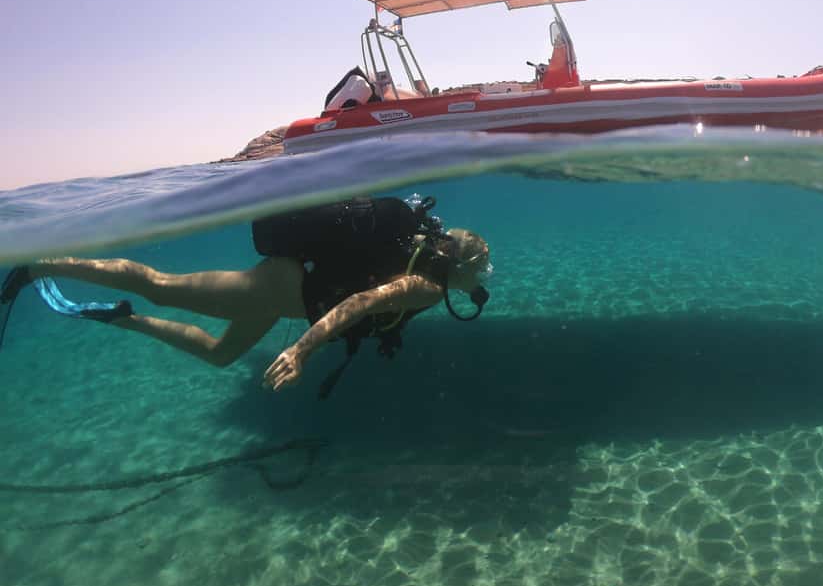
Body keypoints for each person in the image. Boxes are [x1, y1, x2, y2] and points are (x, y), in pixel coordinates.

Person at [1, 195, 491, 395]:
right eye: (482, 269)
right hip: (276, 288)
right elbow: (358, 304)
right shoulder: (426, 287)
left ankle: (124, 318)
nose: (484, 278)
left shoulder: (423, 263)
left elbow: (364, 299)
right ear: (462, 265)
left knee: (219, 354)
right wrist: (301, 350)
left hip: (285, 295)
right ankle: (41, 261)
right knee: (161, 287)